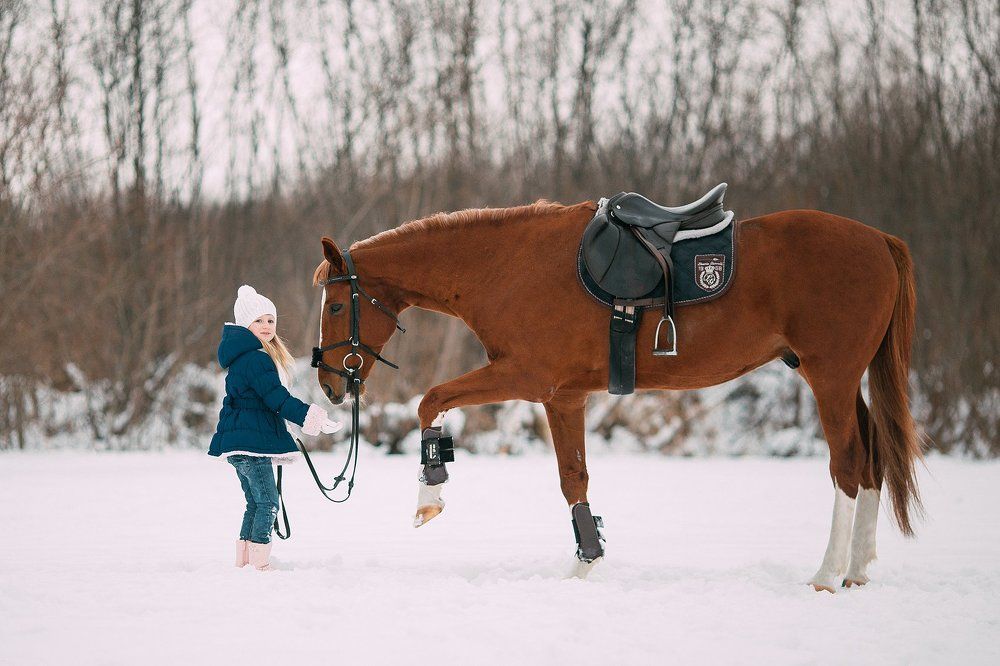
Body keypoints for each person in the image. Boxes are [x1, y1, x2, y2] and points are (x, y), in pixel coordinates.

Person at [209, 285, 340, 571]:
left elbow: (264, 403)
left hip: (239, 444)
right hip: (250, 447)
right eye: (259, 320)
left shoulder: (243, 358)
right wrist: (310, 417)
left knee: (255, 503)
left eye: (270, 320)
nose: (267, 326)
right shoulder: (256, 359)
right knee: (268, 502)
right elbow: (276, 399)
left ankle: (245, 561)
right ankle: (260, 565)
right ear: (246, 324)